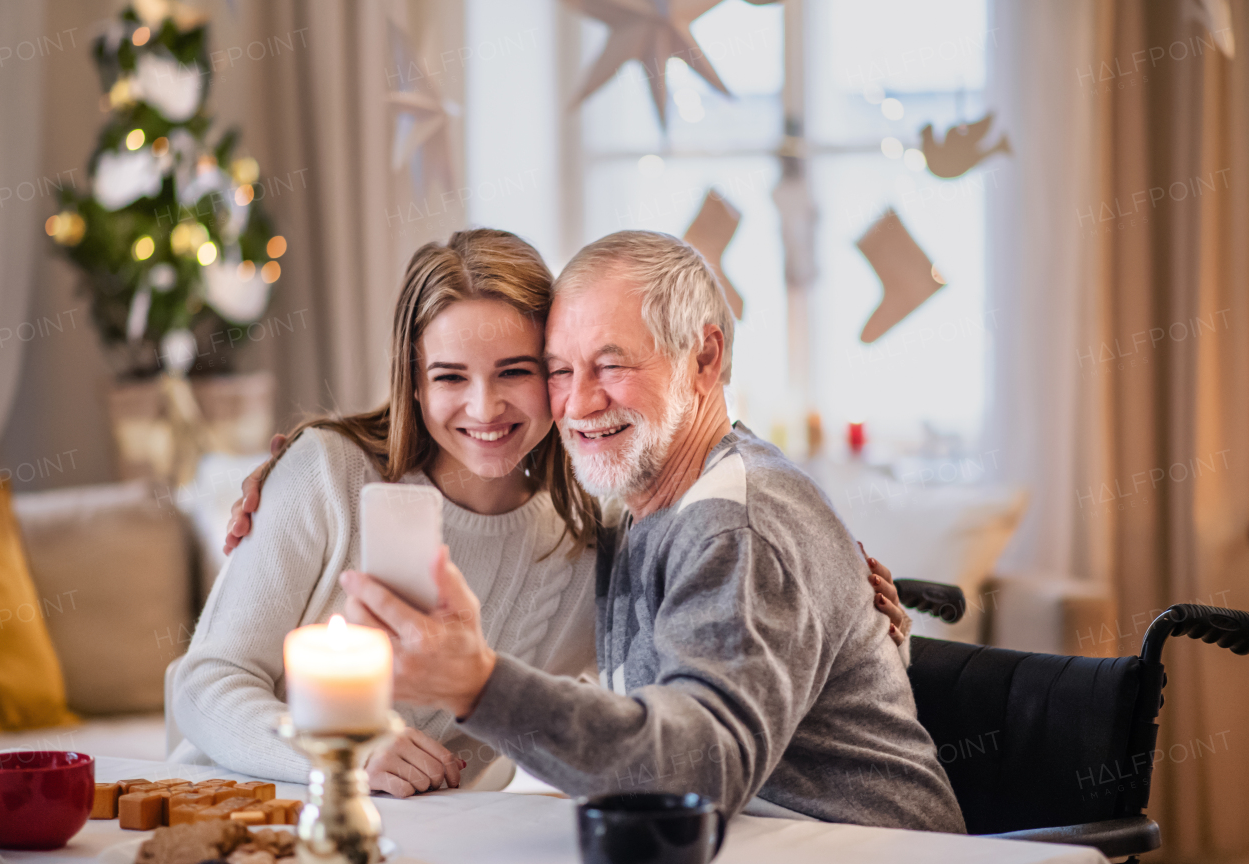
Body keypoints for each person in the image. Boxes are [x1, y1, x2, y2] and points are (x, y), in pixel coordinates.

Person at [179, 228, 911, 799]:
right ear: (412, 381)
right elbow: (204, 684)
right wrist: (335, 748)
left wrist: (840, 589)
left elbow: (698, 688)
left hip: (428, 837)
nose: (483, 408)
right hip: (244, 806)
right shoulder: (329, 474)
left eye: (521, 372)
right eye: (448, 377)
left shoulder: (589, 543)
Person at [335, 230, 966, 830]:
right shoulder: (630, 507)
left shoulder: (735, 525)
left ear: (705, 358)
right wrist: (302, 459)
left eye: (611, 365)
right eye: (558, 371)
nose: (579, 404)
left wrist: (478, 685)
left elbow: (701, 772)